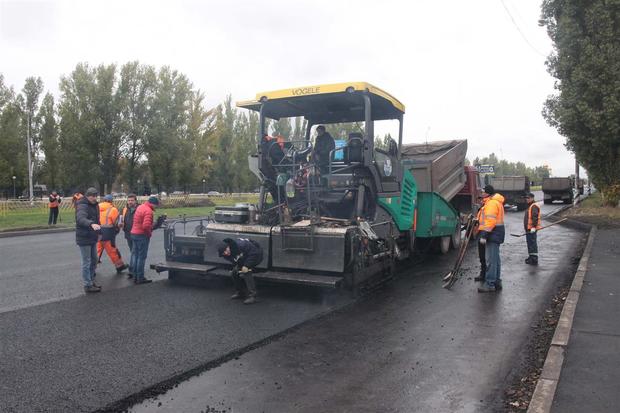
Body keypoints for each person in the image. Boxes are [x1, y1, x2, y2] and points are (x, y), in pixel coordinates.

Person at [217, 238, 263, 304]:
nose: (226, 253)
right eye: (223, 253)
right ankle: (240, 293)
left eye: (226, 250)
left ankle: (253, 296)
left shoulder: (241, 245)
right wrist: (240, 267)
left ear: (228, 246)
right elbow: (236, 260)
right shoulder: (225, 255)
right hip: (244, 258)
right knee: (234, 273)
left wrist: (247, 265)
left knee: (246, 271)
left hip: (256, 254)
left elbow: (255, 253)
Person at [477, 185, 506, 293]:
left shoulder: (492, 203)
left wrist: (484, 235)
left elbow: (490, 221)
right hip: (496, 233)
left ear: (488, 193)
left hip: (492, 233)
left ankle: (490, 284)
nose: (482, 193)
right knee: (495, 260)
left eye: (483, 191)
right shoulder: (494, 202)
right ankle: (497, 281)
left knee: (491, 260)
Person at [76, 187, 102, 293]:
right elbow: (80, 218)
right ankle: (88, 284)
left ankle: (91, 280)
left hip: (92, 236)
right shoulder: (82, 205)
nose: (95, 198)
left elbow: (97, 220)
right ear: (87, 196)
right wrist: (90, 224)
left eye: (96, 195)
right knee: (86, 262)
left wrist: (99, 232)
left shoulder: (95, 205)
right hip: (84, 237)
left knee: (94, 260)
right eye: (92, 196)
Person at [130, 196, 160, 284]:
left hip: (134, 233)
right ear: (153, 204)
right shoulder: (148, 211)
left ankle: (135, 275)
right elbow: (146, 226)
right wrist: (149, 233)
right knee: (141, 257)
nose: (156, 207)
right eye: (156, 206)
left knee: (135, 255)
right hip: (141, 236)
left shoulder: (140, 207)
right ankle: (140, 277)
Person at [97, 194, 128, 274]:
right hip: (108, 234)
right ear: (111, 201)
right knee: (113, 251)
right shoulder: (113, 209)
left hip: (97, 233)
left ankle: (91, 268)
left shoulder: (97, 207)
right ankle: (119, 266)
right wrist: (119, 228)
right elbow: (117, 223)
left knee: (97, 251)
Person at [120, 194, 140, 278]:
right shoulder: (125, 209)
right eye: (129, 200)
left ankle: (133, 270)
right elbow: (121, 219)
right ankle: (135, 268)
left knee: (135, 252)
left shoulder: (139, 209)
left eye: (132, 200)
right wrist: (121, 224)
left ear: (135, 201)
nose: (130, 202)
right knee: (133, 251)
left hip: (137, 233)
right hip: (128, 234)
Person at [523, 192, 542, 265]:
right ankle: (531, 256)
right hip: (529, 228)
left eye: (528, 198)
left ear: (532, 198)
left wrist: (533, 227)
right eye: (526, 198)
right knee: (530, 243)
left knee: (532, 243)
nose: (527, 199)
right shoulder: (530, 205)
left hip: (532, 229)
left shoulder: (534, 206)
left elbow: (535, 218)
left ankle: (534, 258)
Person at [473, 194, 487, 282]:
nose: (480, 201)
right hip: (481, 233)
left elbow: (489, 222)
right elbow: (480, 221)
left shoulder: (487, 208)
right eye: (479, 199)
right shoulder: (481, 209)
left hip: (485, 234)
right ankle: (483, 273)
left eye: (481, 199)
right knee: (482, 256)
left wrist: (485, 236)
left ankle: (485, 274)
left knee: (485, 256)